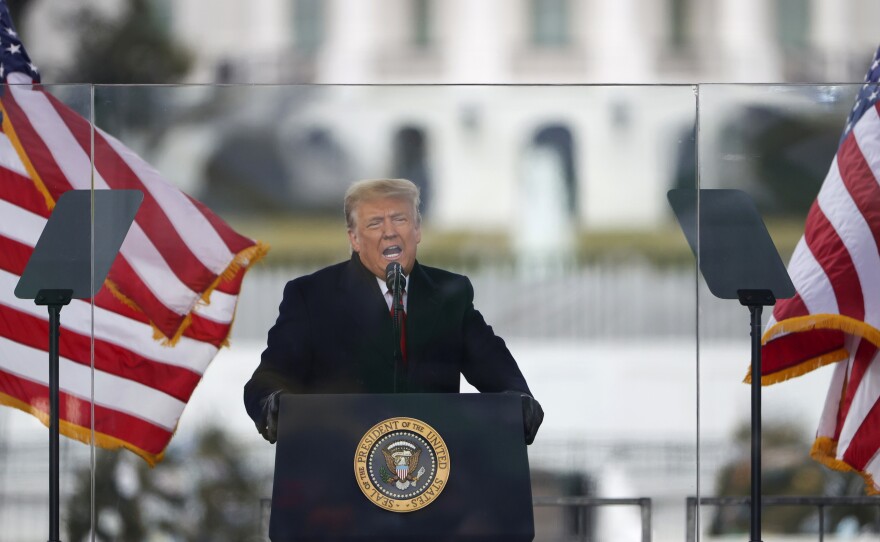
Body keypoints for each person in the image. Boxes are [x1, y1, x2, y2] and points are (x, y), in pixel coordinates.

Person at [244, 178, 543, 444]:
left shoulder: (450, 295)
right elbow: (267, 379)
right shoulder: (312, 296)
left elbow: (496, 367)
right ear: (354, 239)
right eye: (375, 223)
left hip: (434, 477)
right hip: (339, 473)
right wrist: (274, 404)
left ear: (417, 230)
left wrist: (521, 401)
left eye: (399, 219)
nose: (389, 232)